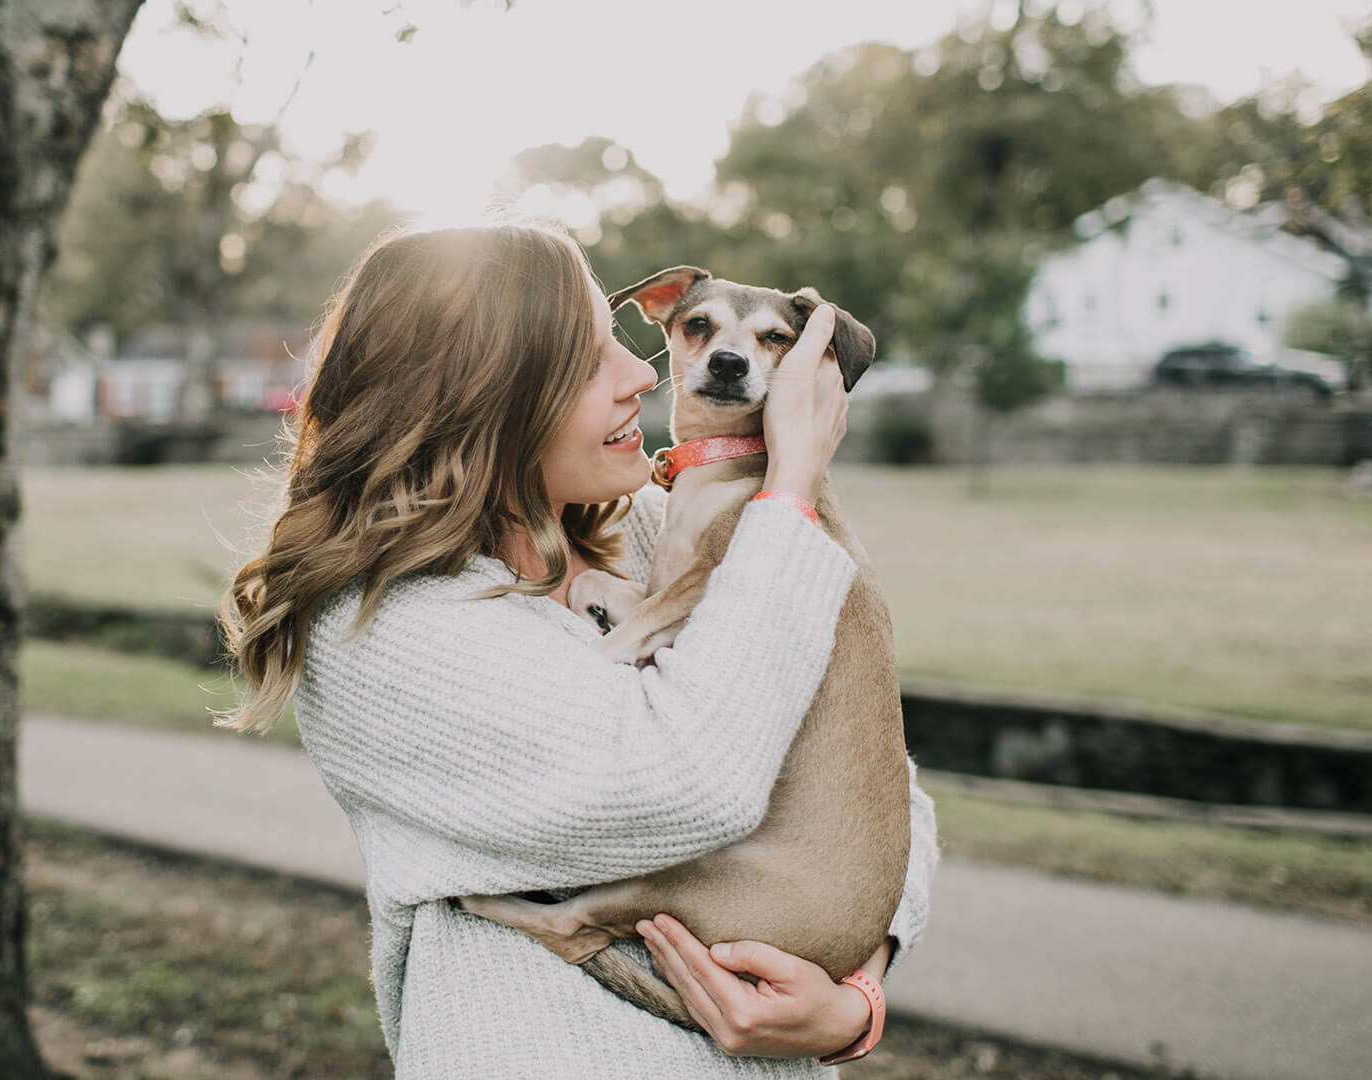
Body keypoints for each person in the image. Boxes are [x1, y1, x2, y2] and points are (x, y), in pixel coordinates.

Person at [217, 222, 940, 1078]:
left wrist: (854, 996)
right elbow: (691, 781)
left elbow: (876, 780)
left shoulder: (643, 536)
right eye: (592, 359)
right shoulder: (382, 633)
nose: (643, 373)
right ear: (484, 398)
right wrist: (792, 484)